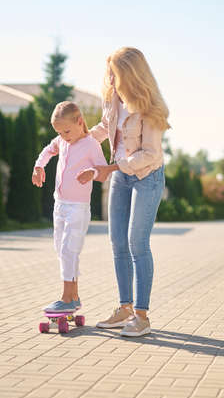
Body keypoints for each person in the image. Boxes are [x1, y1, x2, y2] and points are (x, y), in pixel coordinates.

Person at [77, 47, 170, 336]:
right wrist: (77, 138)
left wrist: (110, 169)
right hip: (120, 177)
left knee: (137, 243)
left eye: (114, 74)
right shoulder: (113, 101)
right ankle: (124, 308)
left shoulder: (151, 108)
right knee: (117, 243)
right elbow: (105, 128)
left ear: (129, 74)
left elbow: (151, 155)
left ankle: (141, 316)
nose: (110, 79)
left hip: (147, 177)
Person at [32, 101, 107, 312]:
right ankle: (74, 296)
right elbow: (48, 150)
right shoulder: (62, 140)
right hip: (60, 204)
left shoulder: (91, 144)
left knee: (69, 249)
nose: (63, 136)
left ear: (80, 122)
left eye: (66, 130)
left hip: (78, 207)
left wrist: (91, 173)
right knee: (60, 248)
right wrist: (39, 166)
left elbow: (102, 171)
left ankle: (66, 298)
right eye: (59, 132)